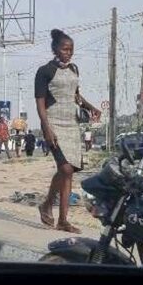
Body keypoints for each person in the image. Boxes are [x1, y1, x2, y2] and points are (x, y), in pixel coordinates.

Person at [35, 29, 101, 233]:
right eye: (65, 49)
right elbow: (40, 103)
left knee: (68, 169)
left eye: (71, 49)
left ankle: (55, 212)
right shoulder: (44, 71)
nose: (68, 52)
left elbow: (76, 96)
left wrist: (90, 107)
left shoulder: (74, 69)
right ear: (55, 49)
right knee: (65, 169)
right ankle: (55, 212)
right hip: (53, 123)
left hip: (71, 124)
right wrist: (47, 129)